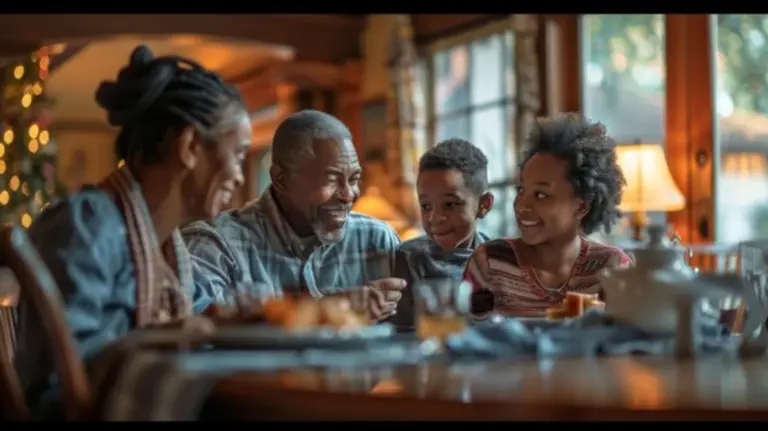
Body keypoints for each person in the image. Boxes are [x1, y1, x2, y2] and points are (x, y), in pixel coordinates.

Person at [14, 45, 252, 414]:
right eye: (238, 154)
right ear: (190, 146)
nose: (239, 176)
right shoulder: (87, 225)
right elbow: (55, 386)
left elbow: (207, 318)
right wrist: (169, 336)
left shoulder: (171, 252)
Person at [183, 110, 405, 321]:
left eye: (354, 179)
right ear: (280, 179)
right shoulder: (216, 245)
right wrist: (332, 309)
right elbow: (189, 332)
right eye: (330, 179)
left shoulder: (378, 240)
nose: (348, 195)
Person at [463, 113, 633, 318]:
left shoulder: (612, 267)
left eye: (541, 195)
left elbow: (628, 340)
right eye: (521, 190)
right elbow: (464, 340)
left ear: (582, 206)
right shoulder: (489, 262)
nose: (521, 205)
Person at [390, 138, 493, 330]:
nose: (435, 217)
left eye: (450, 205)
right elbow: (403, 335)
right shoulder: (408, 259)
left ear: (483, 205)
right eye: (426, 206)